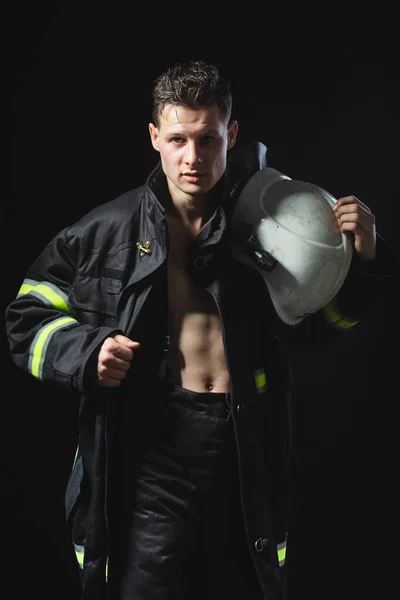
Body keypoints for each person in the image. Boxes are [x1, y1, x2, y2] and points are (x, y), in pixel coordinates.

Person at [5, 59, 400, 600]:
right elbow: (26, 317)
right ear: (154, 138)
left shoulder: (272, 225)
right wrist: (86, 350)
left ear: (230, 134)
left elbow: (307, 333)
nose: (193, 158)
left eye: (208, 139)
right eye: (178, 139)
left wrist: (366, 262)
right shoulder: (108, 232)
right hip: (153, 451)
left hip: (243, 443)